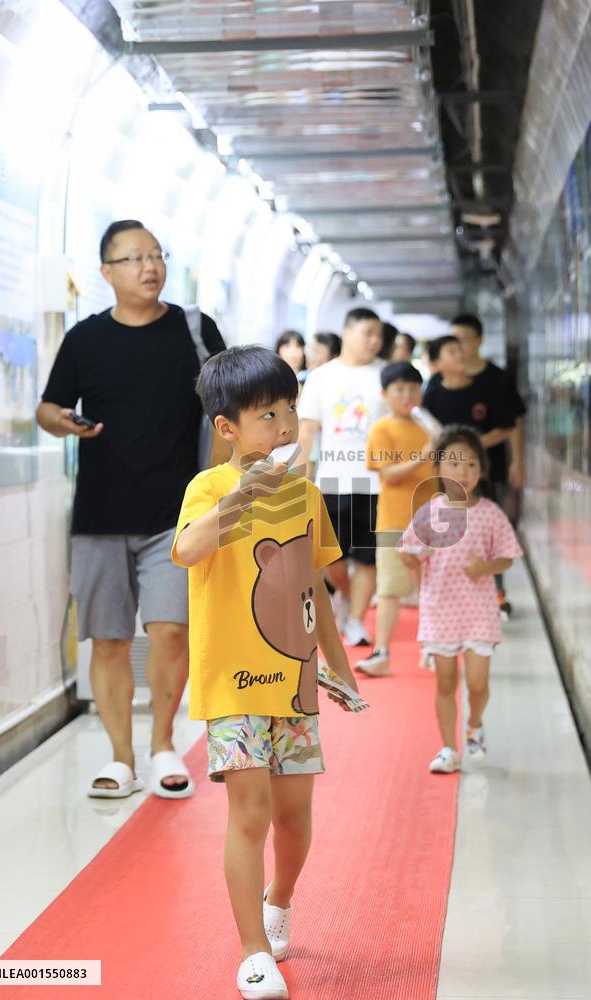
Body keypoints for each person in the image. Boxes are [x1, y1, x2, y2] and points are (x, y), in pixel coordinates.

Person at [172, 346, 358, 1000]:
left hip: (295, 681)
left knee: (295, 818)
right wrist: (241, 496)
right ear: (227, 428)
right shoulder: (207, 487)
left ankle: (279, 899)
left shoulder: (305, 493)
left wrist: (340, 667)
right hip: (231, 684)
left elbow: (315, 586)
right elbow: (185, 551)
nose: (284, 425)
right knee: (249, 815)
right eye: (267, 415)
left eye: (289, 410)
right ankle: (253, 951)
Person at [36, 219, 228, 799]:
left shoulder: (194, 330)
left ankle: (163, 742)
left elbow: (231, 403)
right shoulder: (85, 338)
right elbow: (47, 408)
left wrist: (216, 489)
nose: (149, 266)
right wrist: (62, 422)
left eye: (156, 255)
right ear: (107, 272)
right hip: (100, 513)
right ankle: (121, 758)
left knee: (170, 631)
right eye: (134, 258)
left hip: (176, 513)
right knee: (109, 638)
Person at [399, 426, 522, 773]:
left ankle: (475, 724)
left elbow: (507, 558)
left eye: (471, 464)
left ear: (481, 469)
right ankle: (449, 749)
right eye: (454, 464)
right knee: (445, 682)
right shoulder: (429, 513)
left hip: (479, 611)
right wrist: (411, 560)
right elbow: (410, 555)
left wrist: (486, 567)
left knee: (478, 683)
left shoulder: (490, 513)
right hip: (440, 610)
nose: (463, 472)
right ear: (438, 468)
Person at [297, 307, 386, 647]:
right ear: (347, 332)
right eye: (367, 333)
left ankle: (356, 620)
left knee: (367, 557)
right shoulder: (322, 377)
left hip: (376, 483)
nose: (374, 341)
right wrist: (300, 481)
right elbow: (307, 431)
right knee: (327, 555)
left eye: (378, 335)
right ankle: (345, 594)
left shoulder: (386, 375)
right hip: (332, 480)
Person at [356, 362, 437, 676]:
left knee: (433, 585)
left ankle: (435, 647)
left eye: (413, 388)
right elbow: (389, 474)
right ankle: (382, 652)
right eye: (399, 389)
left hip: (432, 519)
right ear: (385, 394)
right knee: (389, 587)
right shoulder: (382, 429)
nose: (407, 395)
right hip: (394, 520)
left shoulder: (428, 426)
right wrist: (423, 456)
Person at [448, 314, 527, 613]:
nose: (458, 347)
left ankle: (497, 590)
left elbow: (513, 423)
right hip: (449, 476)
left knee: (489, 528)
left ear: (479, 341)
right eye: (453, 342)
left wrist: (517, 461)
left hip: (489, 469)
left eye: (463, 340)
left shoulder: (497, 378)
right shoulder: (442, 382)